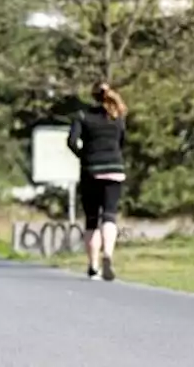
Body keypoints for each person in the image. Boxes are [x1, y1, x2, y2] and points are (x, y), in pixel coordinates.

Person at [67, 81, 128, 282]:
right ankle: (108, 255)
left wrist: (84, 156)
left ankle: (93, 266)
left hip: (91, 170)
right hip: (115, 170)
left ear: (92, 96)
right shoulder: (117, 117)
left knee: (92, 220)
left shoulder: (82, 116)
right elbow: (122, 142)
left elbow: (71, 142)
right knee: (109, 216)